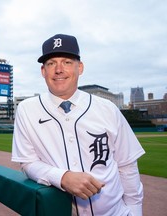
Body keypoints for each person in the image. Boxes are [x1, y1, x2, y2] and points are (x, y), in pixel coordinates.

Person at [11, 34, 145, 216]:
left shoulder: (108, 109)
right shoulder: (27, 109)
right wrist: (62, 177)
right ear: (43, 71)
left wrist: (135, 213)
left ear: (79, 67)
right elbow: (27, 163)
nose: (59, 69)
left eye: (67, 62)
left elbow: (127, 166)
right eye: (51, 63)